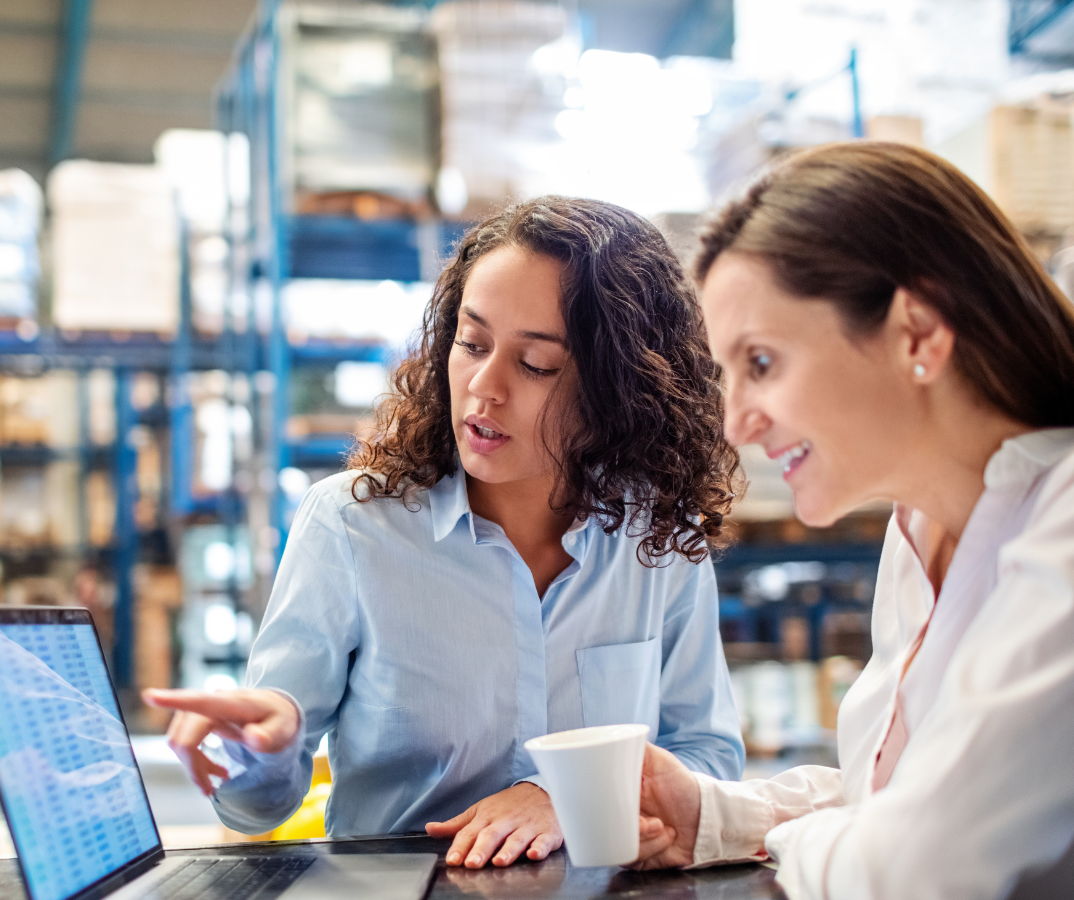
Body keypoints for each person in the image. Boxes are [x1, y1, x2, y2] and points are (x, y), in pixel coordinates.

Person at [627, 141, 1074, 900]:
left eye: (760, 363)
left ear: (918, 331)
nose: (734, 424)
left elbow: (917, 863)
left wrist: (797, 837)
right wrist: (715, 811)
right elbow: (912, 791)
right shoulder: (918, 529)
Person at [144, 196, 744, 868]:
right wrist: (266, 749)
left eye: (536, 364)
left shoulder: (657, 537)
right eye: (472, 342)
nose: (484, 387)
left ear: (619, 388)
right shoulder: (351, 526)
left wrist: (559, 795)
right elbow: (255, 810)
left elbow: (709, 756)